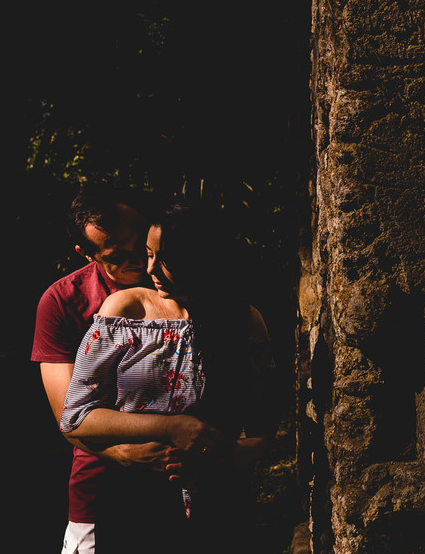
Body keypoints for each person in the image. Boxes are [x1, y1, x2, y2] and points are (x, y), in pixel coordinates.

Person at [58, 202, 276, 554]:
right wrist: (169, 428)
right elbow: (76, 419)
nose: (151, 269)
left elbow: (263, 432)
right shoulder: (125, 312)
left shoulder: (245, 321)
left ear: (203, 258)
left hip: (221, 512)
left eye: (165, 259)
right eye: (148, 255)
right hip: (134, 507)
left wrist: (220, 459)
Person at [31, 184, 176, 554]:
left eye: (140, 243)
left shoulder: (183, 285)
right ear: (87, 254)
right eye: (118, 256)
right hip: (99, 492)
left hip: (189, 490)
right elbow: (69, 414)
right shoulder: (62, 301)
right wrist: (123, 452)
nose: (140, 262)